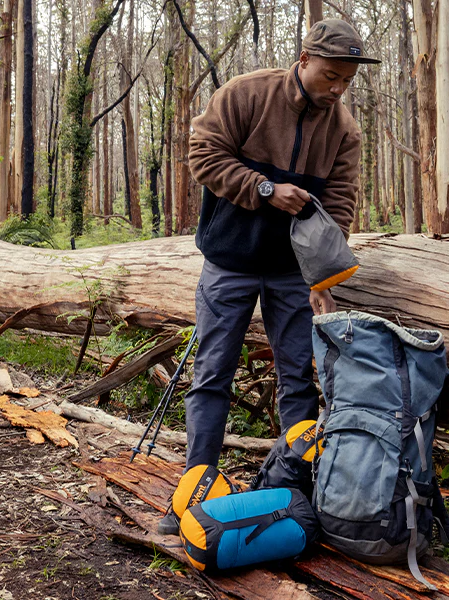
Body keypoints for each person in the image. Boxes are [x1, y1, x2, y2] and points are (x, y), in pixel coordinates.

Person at [158, 19, 377, 534]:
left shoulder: (343, 129)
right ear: (303, 61)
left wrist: (322, 273)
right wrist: (264, 190)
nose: (337, 89)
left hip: (290, 273)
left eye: (346, 80)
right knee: (213, 373)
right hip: (229, 263)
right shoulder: (246, 94)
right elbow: (203, 156)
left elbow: (341, 202)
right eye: (329, 76)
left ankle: (286, 489)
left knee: (299, 378)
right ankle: (195, 490)